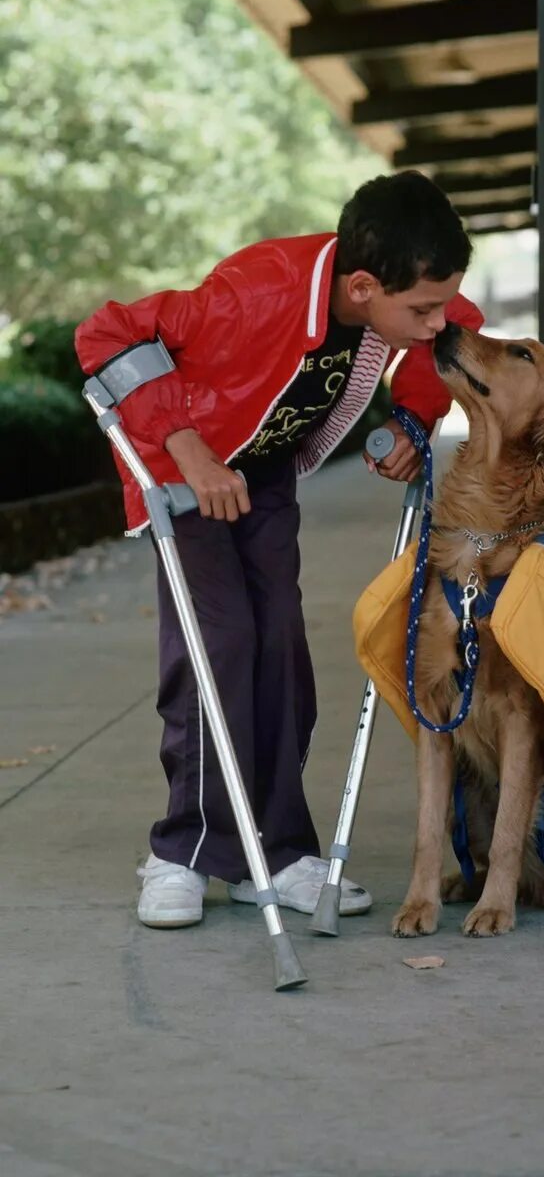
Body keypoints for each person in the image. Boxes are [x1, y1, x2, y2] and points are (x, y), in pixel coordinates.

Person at [75, 170, 483, 929]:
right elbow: (111, 332)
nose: (434, 323)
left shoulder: (406, 298)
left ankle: (280, 850)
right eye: (418, 310)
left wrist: (414, 422)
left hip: (262, 472)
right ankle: (183, 853)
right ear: (362, 286)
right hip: (186, 469)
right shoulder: (255, 290)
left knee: (281, 651)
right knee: (218, 644)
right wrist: (192, 454)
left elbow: (450, 333)